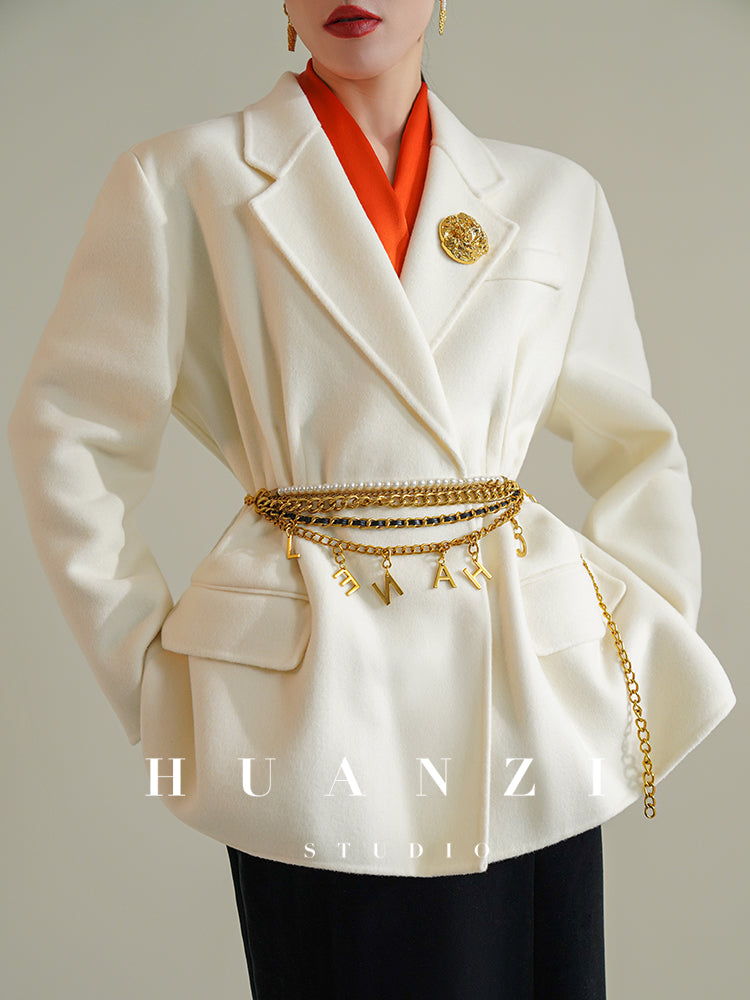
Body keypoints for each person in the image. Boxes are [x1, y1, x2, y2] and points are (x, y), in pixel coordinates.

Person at [7, 1, 735, 997]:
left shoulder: (555, 196)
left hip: (525, 690)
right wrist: (149, 675)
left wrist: (632, 653)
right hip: (312, 701)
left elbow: (635, 440)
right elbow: (69, 431)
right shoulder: (182, 178)